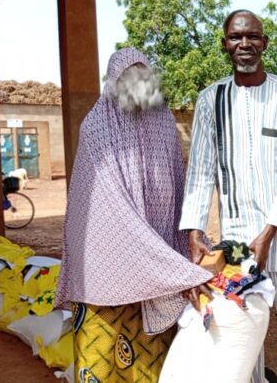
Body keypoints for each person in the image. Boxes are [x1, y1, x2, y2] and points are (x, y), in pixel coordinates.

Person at [55, 47, 213, 382]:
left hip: (157, 262)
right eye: (127, 78)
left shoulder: (164, 123)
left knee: (152, 361)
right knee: (103, 360)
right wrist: (174, 270)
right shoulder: (97, 129)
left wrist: (188, 243)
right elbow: (114, 213)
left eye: (143, 77)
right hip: (106, 268)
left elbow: (178, 188)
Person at [180, 9, 277, 382]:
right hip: (239, 242)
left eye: (252, 36)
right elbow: (202, 169)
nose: (245, 44)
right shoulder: (211, 100)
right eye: (236, 37)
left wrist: (269, 232)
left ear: (264, 43)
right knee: (245, 336)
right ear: (225, 45)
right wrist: (193, 230)